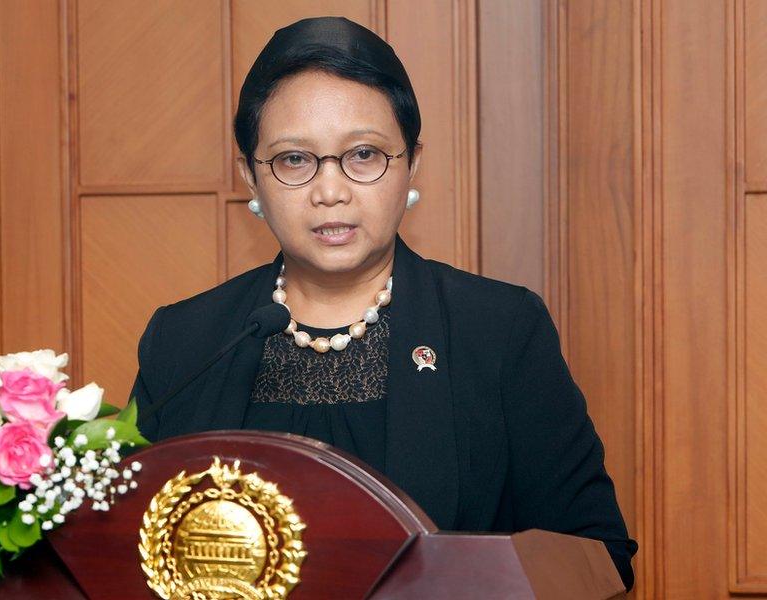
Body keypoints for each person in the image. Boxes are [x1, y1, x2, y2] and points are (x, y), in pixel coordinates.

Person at [128, 16, 637, 590]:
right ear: (251, 174)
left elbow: (596, 554)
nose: (331, 191)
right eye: (294, 160)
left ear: (412, 163)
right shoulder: (187, 340)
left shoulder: (499, 331)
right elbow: (123, 548)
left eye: (364, 155)